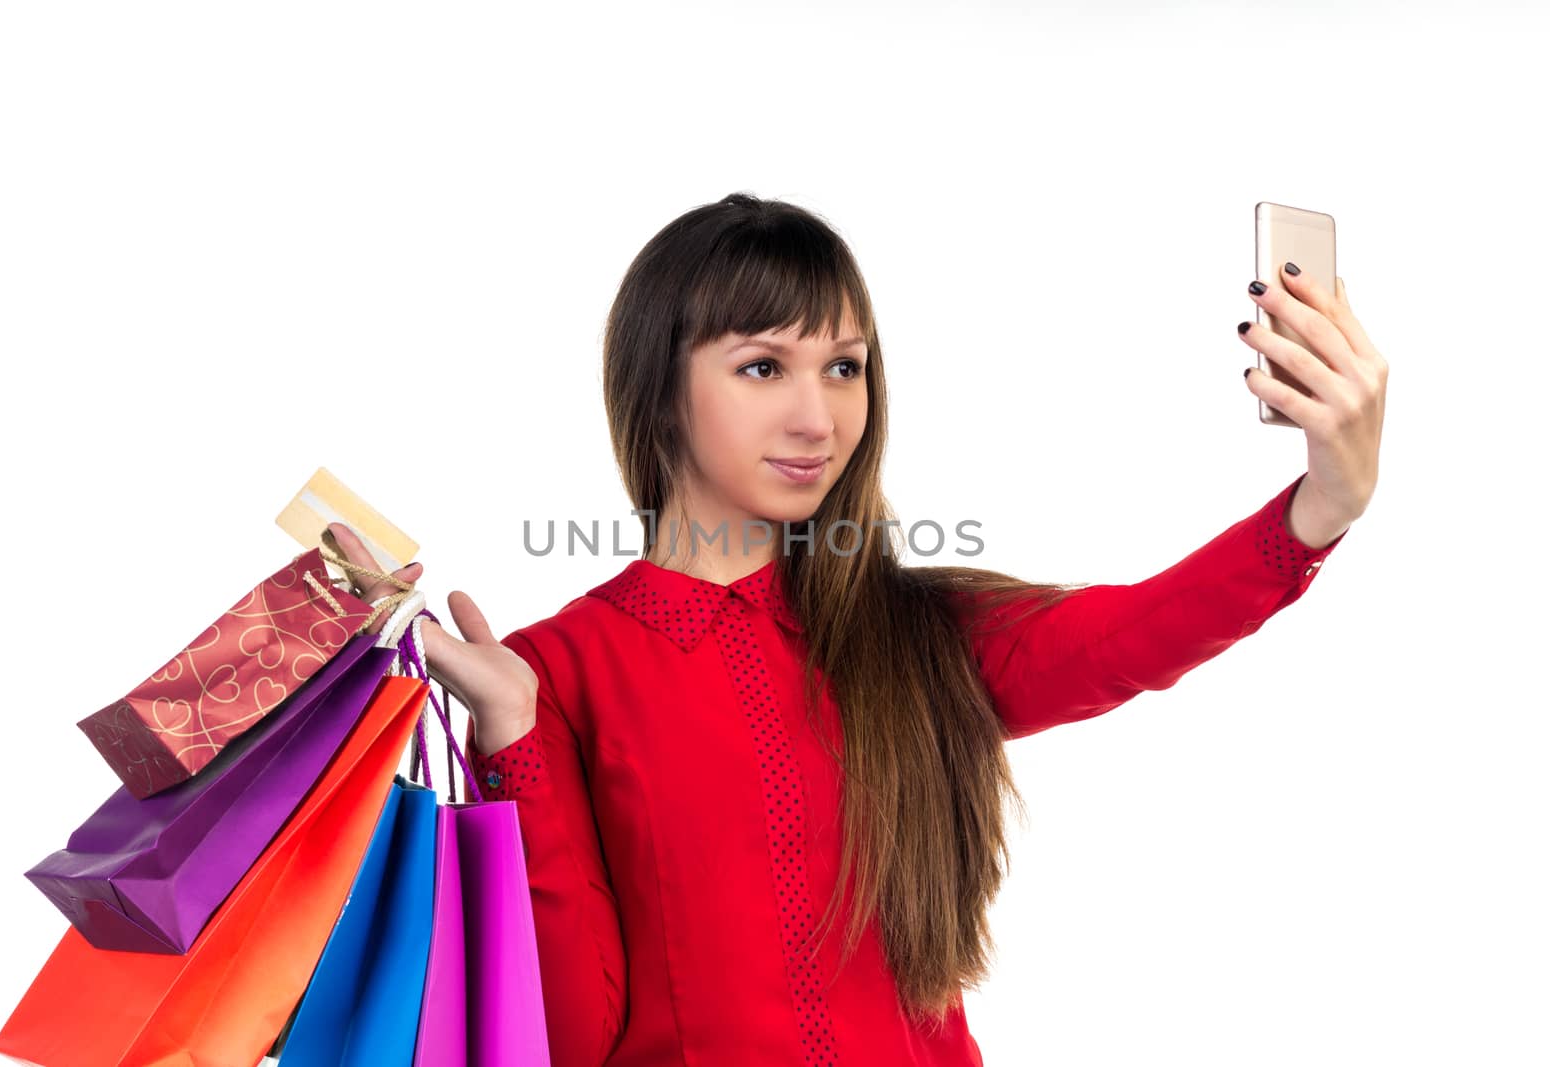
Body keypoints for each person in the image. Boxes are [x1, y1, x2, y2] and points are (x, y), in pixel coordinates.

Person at [328, 192, 1386, 1066]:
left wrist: (1321, 505)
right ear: (659, 391)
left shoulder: (917, 633)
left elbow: (1133, 634)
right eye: (761, 366)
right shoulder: (557, 672)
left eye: (843, 365)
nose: (819, 417)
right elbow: (566, 1028)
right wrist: (511, 731)